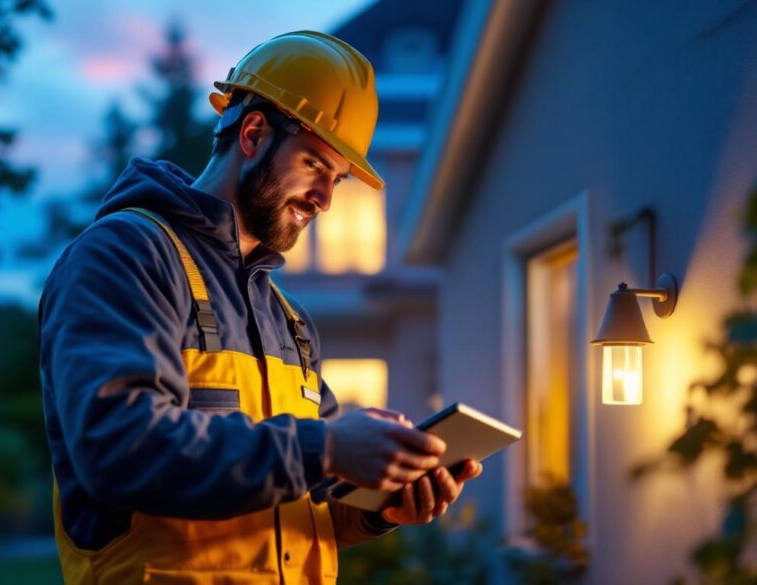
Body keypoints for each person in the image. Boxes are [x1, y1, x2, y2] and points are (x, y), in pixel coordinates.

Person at [38, 30, 482, 584]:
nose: (325, 200)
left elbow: (309, 508)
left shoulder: (289, 321)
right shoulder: (127, 254)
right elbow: (119, 448)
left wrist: (381, 505)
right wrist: (328, 447)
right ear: (252, 134)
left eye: (338, 180)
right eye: (315, 165)